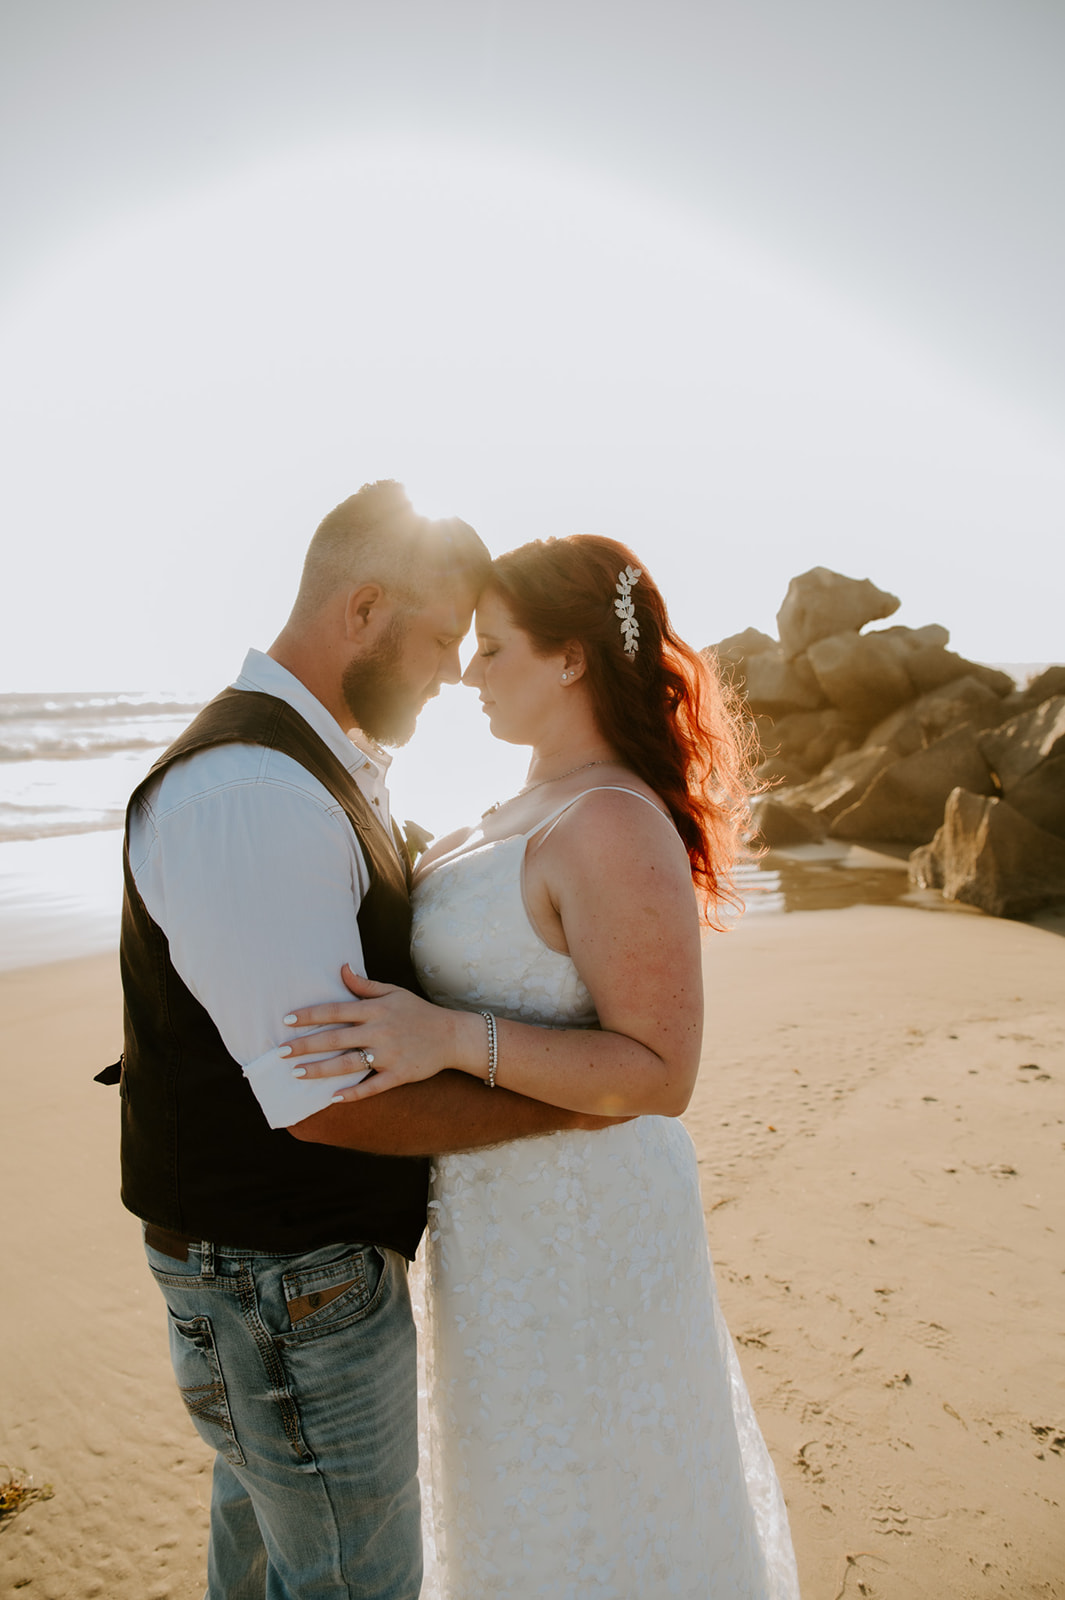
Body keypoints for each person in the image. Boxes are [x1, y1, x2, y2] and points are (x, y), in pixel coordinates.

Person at [106, 483, 626, 1600]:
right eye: (443, 639)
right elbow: (329, 1102)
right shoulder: (250, 791)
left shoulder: (313, 764)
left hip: (282, 1279)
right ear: (363, 608)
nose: (453, 671)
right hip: (282, 1287)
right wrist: (569, 1105)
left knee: (269, 1573)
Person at [285, 535, 801, 1597]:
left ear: (570, 659)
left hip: (588, 1235)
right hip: (492, 1234)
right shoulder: (497, 818)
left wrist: (445, 1039)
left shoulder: (613, 824)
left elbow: (661, 1070)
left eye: (493, 648)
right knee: (508, 1510)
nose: (467, 673)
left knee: (594, 1506)